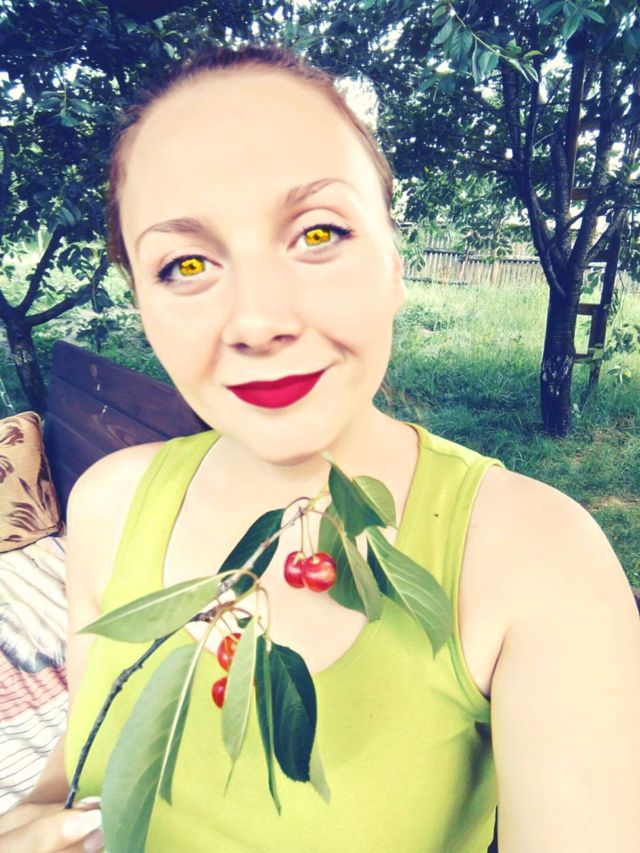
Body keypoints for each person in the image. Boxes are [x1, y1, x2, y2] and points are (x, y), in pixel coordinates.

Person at [1, 42, 639, 853]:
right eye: (186, 263)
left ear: (394, 261)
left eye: (319, 232)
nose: (258, 320)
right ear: (142, 304)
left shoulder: (536, 560)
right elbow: (83, 757)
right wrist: (30, 816)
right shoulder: (108, 504)